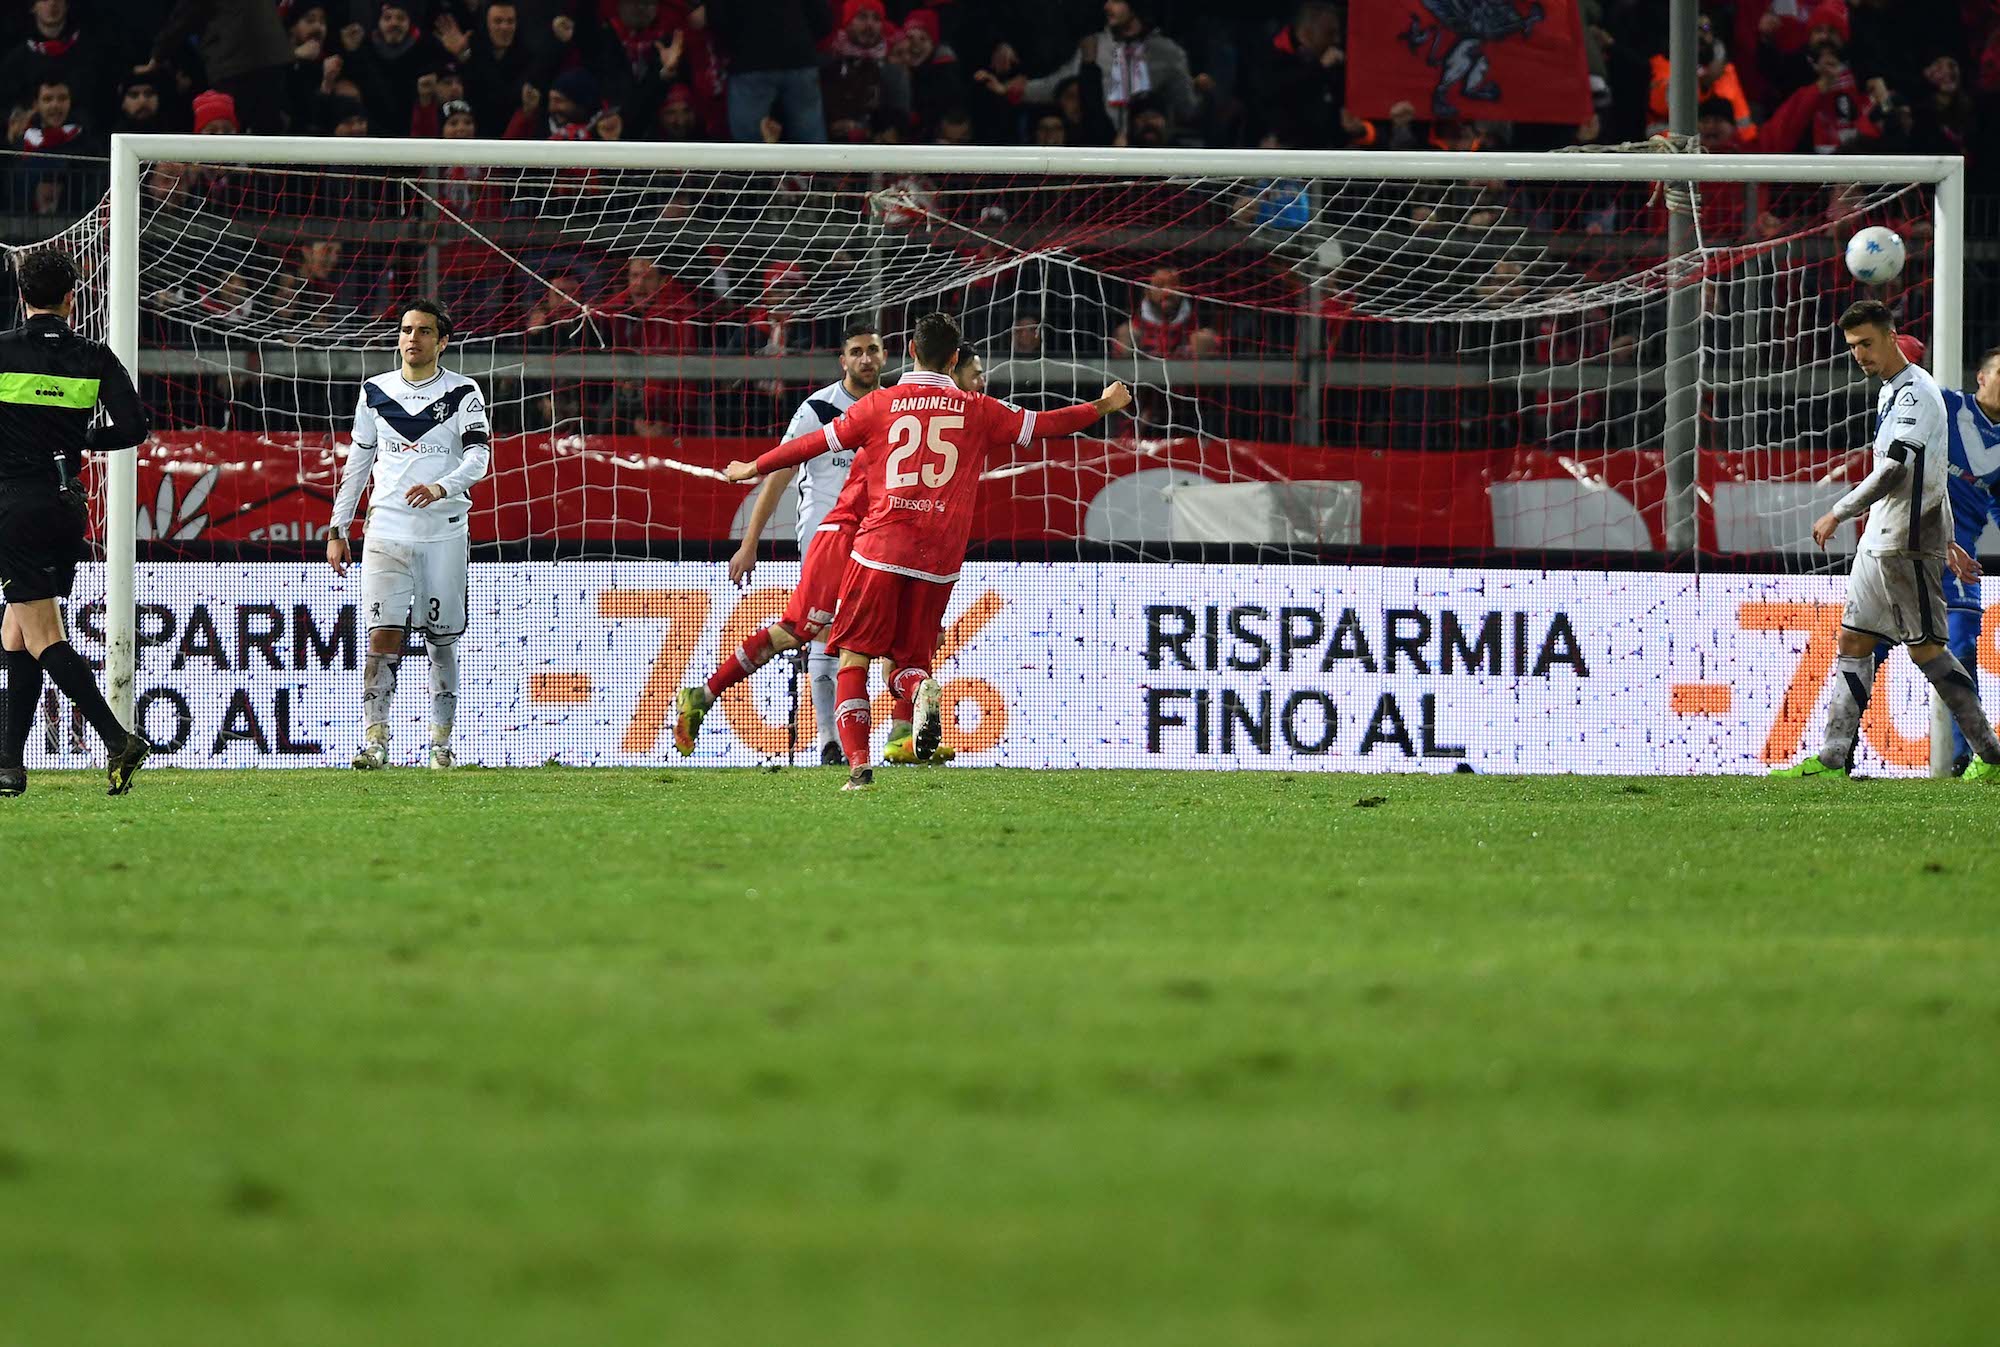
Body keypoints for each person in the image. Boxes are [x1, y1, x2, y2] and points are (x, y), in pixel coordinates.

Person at [725, 313, 1129, 790]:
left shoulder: (880, 403)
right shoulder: (979, 408)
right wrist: (1103, 406)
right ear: (955, 359)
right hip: (940, 559)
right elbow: (1047, 425)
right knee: (910, 663)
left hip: (879, 548)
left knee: (854, 657)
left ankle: (857, 767)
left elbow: (812, 443)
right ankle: (920, 689)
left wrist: (753, 466)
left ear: (911, 353)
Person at [1772, 300, 2000, 781]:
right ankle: (1834, 760)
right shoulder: (1890, 392)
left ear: (1892, 337)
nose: (1859, 354)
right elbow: (1935, 474)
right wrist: (1955, 540)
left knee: (1928, 650)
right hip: (1880, 539)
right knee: (1853, 639)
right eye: (1853, 346)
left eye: (1867, 343)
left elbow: (1895, 471)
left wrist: (1839, 510)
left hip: (1906, 544)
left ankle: (1991, 755)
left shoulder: (1918, 395)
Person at [676, 321, 885, 763]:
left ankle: (707, 692)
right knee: (827, 633)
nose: (866, 358)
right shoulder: (818, 408)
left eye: (873, 350)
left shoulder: (893, 407)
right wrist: (750, 543)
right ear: (843, 359)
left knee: (835, 634)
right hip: (827, 535)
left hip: (878, 534)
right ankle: (834, 743)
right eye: (857, 351)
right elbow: (780, 474)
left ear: (885, 355)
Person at [0, 247, 152, 798]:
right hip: (66, 507)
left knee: (41, 635)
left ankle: (118, 738)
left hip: (13, 505)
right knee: (16, 631)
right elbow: (135, 428)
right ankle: (9, 766)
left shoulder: (3, 352)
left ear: (21, 296)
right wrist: (85, 439)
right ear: (71, 298)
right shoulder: (94, 355)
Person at [326, 299, 490, 770]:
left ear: (442, 341)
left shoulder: (463, 393)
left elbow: (478, 458)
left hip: (443, 533)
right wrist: (338, 527)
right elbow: (358, 465)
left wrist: (442, 486)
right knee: (381, 637)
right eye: (405, 330)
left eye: (422, 331)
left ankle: (441, 743)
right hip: (387, 531)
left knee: (441, 641)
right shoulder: (375, 392)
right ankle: (375, 741)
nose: (411, 339)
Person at [1931, 345, 2000, 772]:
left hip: (1960, 559)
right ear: (1982, 377)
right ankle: (1839, 751)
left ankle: (1966, 757)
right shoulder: (1942, 403)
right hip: (1903, 542)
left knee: (1959, 647)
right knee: (1867, 644)